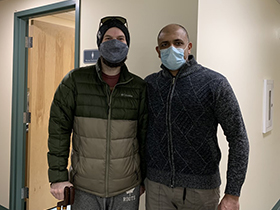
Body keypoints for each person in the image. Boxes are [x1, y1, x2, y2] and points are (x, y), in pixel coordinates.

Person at [144, 24, 249, 210]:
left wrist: (232, 193)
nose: (171, 48)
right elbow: (140, 134)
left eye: (178, 43)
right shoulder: (149, 85)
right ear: (158, 51)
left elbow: (238, 137)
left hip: (201, 191)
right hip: (157, 188)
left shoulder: (214, 83)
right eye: (165, 44)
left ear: (189, 47)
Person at [47, 16, 147, 210]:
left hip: (126, 188)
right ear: (99, 44)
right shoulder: (75, 81)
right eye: (108, 39)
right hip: (84, 189)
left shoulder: (139, 87)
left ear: (128, 44)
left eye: (121, 38)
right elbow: (58, 131)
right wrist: (58, 177)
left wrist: (142, 178)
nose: (115, 43)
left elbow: (144, 137)